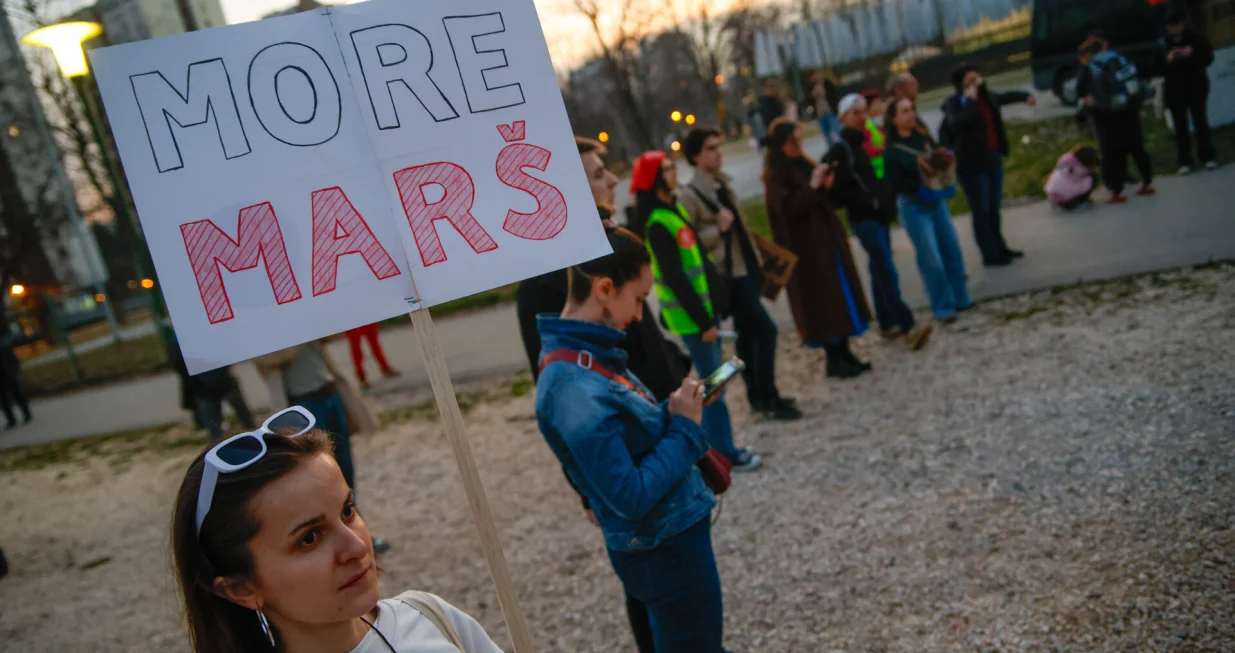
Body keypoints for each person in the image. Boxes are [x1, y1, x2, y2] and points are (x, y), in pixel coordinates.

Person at [515, 136, 678, 653]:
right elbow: (557, 386)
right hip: (621, 447)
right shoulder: (551, 277)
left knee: (679, 566)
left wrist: (677, 371)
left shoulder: (611, 245)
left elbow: (641, 335)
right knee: (647, 572)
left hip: (657, 422)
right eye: (598, 173)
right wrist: (584, 486)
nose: (612, 180)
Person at [535, 228, 726, 652]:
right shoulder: (573, 386)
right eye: (638, 298)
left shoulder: (587, 359)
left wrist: (673, 409)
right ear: (604, 289)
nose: (640, 314)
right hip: (665, 548)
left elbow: (627, 443)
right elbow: (630, 494)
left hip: (667, 541)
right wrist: (686, 427)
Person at [170, 414, 503, 653]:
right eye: (310, 538)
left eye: (347, 511)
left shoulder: (429, 617)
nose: (357, 546)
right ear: (240, 588)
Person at [633, 150, 761, 470]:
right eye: (665, 169)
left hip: (702, 316)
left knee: (712, 385)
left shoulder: (671, 211)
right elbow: (676, 278)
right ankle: (723, 454)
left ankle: (719, 451)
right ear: (653, 179)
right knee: (711, 389)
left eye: (672, 166)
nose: (673, 172)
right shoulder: (658, 222)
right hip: (694, 321)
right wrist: (704, 321)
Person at [680, 126, 802, 421]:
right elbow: (687, 240)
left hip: (744, 267)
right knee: (766, 331)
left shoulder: (722, 184)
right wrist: (716, 229)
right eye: (710, 148)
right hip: (727, 277)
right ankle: (767, 396)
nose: (718, 153)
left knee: (749, 336)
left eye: (719, 146)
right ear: (696, 156)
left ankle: (759, 397)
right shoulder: (691, 194)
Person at [762, 118, 873, 378]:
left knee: (840, 298)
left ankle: (845, 352)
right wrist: (812, 187)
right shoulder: (776, 176)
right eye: (795, 139)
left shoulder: (803, 163)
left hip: (826, 243)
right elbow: (787, 210)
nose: (800, 144)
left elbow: (821, 200)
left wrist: (825, 184)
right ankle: (834, 358)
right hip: (807, 251)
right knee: (822, 303)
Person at [254, 341, 389, 554]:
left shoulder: (302, 315)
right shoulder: (265, 328)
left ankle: (357, 531)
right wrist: (297, 332)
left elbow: (333, 334)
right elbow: (266, 359)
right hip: (303, 406)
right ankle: (342, 540)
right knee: (320, 480)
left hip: (329, 395)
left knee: (344, 471)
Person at [824, 95, 933, 350]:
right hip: (865, 218)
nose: (861, 118)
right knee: (886, 270)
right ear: (843, 118)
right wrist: (868, 201)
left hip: (879, 215)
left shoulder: (864, 143)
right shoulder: (842, 150)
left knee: (879, 267)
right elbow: (839, 192)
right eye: (854, 114)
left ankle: (886, 322)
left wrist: (884, 200)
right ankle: (907, 325)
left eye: (863, 112)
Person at [884, 98, 974, 324]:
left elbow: (936, 156)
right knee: (931, 257)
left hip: (936, 201)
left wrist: (942, 161)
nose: (910, 114)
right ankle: (942, 306)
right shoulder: (892, 151)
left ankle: (961, 297)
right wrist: (918, 176)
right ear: (894, 119)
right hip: (915, 206)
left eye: (911, 110)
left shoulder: (922, 138)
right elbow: (894, 184)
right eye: (904, 112)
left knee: (952, 248)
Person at [941, 63, 1035, 267]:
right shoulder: (956, 102)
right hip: (971, 164)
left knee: (993, 208)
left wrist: (1024, 96)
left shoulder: (988, 98)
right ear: (962, 84)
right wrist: (971, 102)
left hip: (992, 158)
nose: (977, 84)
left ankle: (1000, 246)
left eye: (978, 79)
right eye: (971, 81)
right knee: (981, 210)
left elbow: (1003, 98)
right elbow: (955, 123)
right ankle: (989, 253)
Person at [1077, 35, 1155, 203]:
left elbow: (1079, 89)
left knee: (1112, 154)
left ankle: (1115, 191)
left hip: (1105, 117)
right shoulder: (1120, 59)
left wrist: (1089, 100)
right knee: (1137, 147)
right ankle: (1146, 182)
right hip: (1129, 112)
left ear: (1087, 55)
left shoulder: (1091, 67)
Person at [1159, 8, 1217, 174]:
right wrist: (1168, 60)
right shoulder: (1163, 43)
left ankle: (1208, 157)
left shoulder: (1196, 38)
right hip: (1175, 89)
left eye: (1176, 25)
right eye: (1171, 26)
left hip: (1195, 86)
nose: (1174, 29)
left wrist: (1192, 54)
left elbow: (1208, 58)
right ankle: (1185, 161)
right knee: (1180, 127)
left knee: (1200, 122)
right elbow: (1155, 67)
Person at [344, 323, 399, 389]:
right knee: (356, 348)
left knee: (375, 343)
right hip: (349, 321)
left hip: (367, 317)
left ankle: (385, 368)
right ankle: (361, 376)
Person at [1045, 145, 1100, 211]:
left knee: (1069, 181)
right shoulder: (1080, 167)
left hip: (1053, 194)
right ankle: (1080, 201)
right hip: (1066, 199)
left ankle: (1060, 202)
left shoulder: (1066, 161)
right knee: (1093, 178)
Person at [0, 334, 31, 429]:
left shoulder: (4, 347)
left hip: (9, 375)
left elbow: (15, 360)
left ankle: (26, 414)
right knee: (3, 400)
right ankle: (11, 419)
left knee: (18, 395)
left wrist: (14, 373)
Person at [811, 71, 842, 146]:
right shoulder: (811, 87)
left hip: (829, 111)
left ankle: (844, 146)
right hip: (820, 113)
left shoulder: (827, 83)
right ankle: (832, 150)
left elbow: (834, 94)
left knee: (838, 131)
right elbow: (809, 100)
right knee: (827, 135)